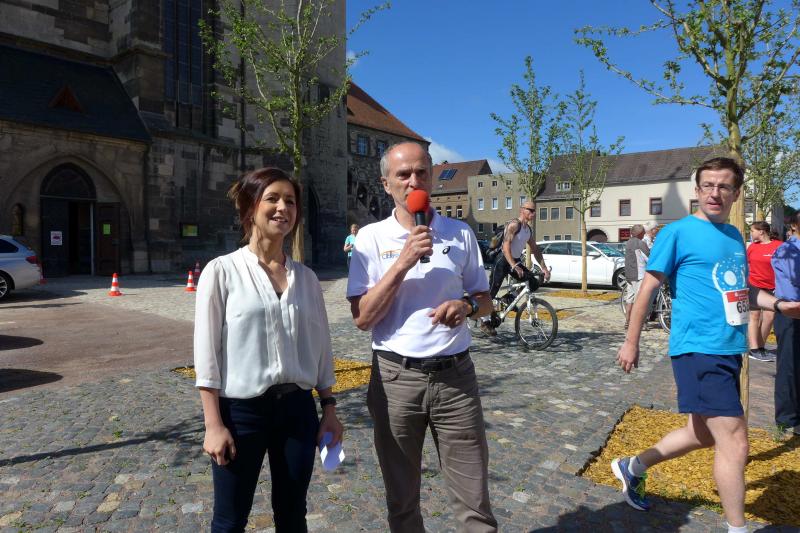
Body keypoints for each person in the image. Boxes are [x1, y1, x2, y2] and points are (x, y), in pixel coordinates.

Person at [613, 157, 800, 533]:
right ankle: (737, 529)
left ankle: (632, 466)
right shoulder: (678, 232)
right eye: (708, 186)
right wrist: (631, 342)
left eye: (724, 186)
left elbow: (742, 291)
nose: (715, 193)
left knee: (700, 434)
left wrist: (779, 305)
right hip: (698, 349)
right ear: (697, 191)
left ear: (736, 193)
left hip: (729, 348)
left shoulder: (733, 235)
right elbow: (647, 289)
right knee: (735, 441)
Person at [347, 141, 498, 532]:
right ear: (386, 184)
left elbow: (485, 300)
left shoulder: (460, 233)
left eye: (421, 172)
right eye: (403, 174)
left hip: (456, 379)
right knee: (402, 501)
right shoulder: (370, 238)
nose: (414, 181)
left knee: (475, 503)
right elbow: (363, 318)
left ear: (431, 177)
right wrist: (402, 262)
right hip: (396, 380)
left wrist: (466, 306)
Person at [194, 167, 343, 532]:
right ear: (250, 207)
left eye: (290, 201)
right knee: (230, 519)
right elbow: (207, 352)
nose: (283, 208)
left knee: (293, 515)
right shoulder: (222, 271)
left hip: (297, 411)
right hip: (241, 412)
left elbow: (321, 347)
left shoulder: (307, 279)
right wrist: (213, 424)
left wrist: (329, 409)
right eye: (272, 198)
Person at [480, 201, 550, 336]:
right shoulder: (514, 225)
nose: (534, 213)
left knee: (533, 282)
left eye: (534, 211)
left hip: (515, 261)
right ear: (522, 210)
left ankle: (508, 298)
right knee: (492, 290)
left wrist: (544, 268)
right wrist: (514, 265)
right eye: (531, 210)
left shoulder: (528, 230)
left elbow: (535, 249)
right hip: (503, 260)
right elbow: (506, 247)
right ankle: (484, 320)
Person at [772, 212, 800, 436]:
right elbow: (795, 277)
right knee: (789, 365)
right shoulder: (787, 251)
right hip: (791, 312)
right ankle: (787, 419)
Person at [746, 221, 782, 362]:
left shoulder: (779, 246)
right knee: (754, 316)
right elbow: (747, 265)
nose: (751, 233)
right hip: (754, 285)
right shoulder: (752, 247)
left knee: (769, 317)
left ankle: (761, 347)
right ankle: (754, 349)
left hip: (773, 287)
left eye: (752, 230)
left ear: (761, 231)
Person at [623, 224, 650, 329]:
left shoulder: (628, 243)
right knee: (640, 300)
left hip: (629, 275)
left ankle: (627, 322)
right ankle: (641, 323)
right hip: (639, 274)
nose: (644, 234)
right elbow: (649, 258)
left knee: (629, 299)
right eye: (643, 232)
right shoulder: (640, 243)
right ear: (640, 233)